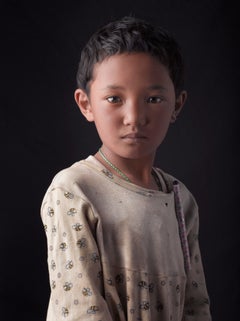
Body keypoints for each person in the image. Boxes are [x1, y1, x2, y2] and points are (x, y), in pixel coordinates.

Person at [40, 16, 212, 321]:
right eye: (114, 99)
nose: (134, 116)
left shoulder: (179, 199)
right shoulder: (74, 190)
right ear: (86, 104)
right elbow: (81, 311)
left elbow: (195, 305)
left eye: (153, 99)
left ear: (177, 105)